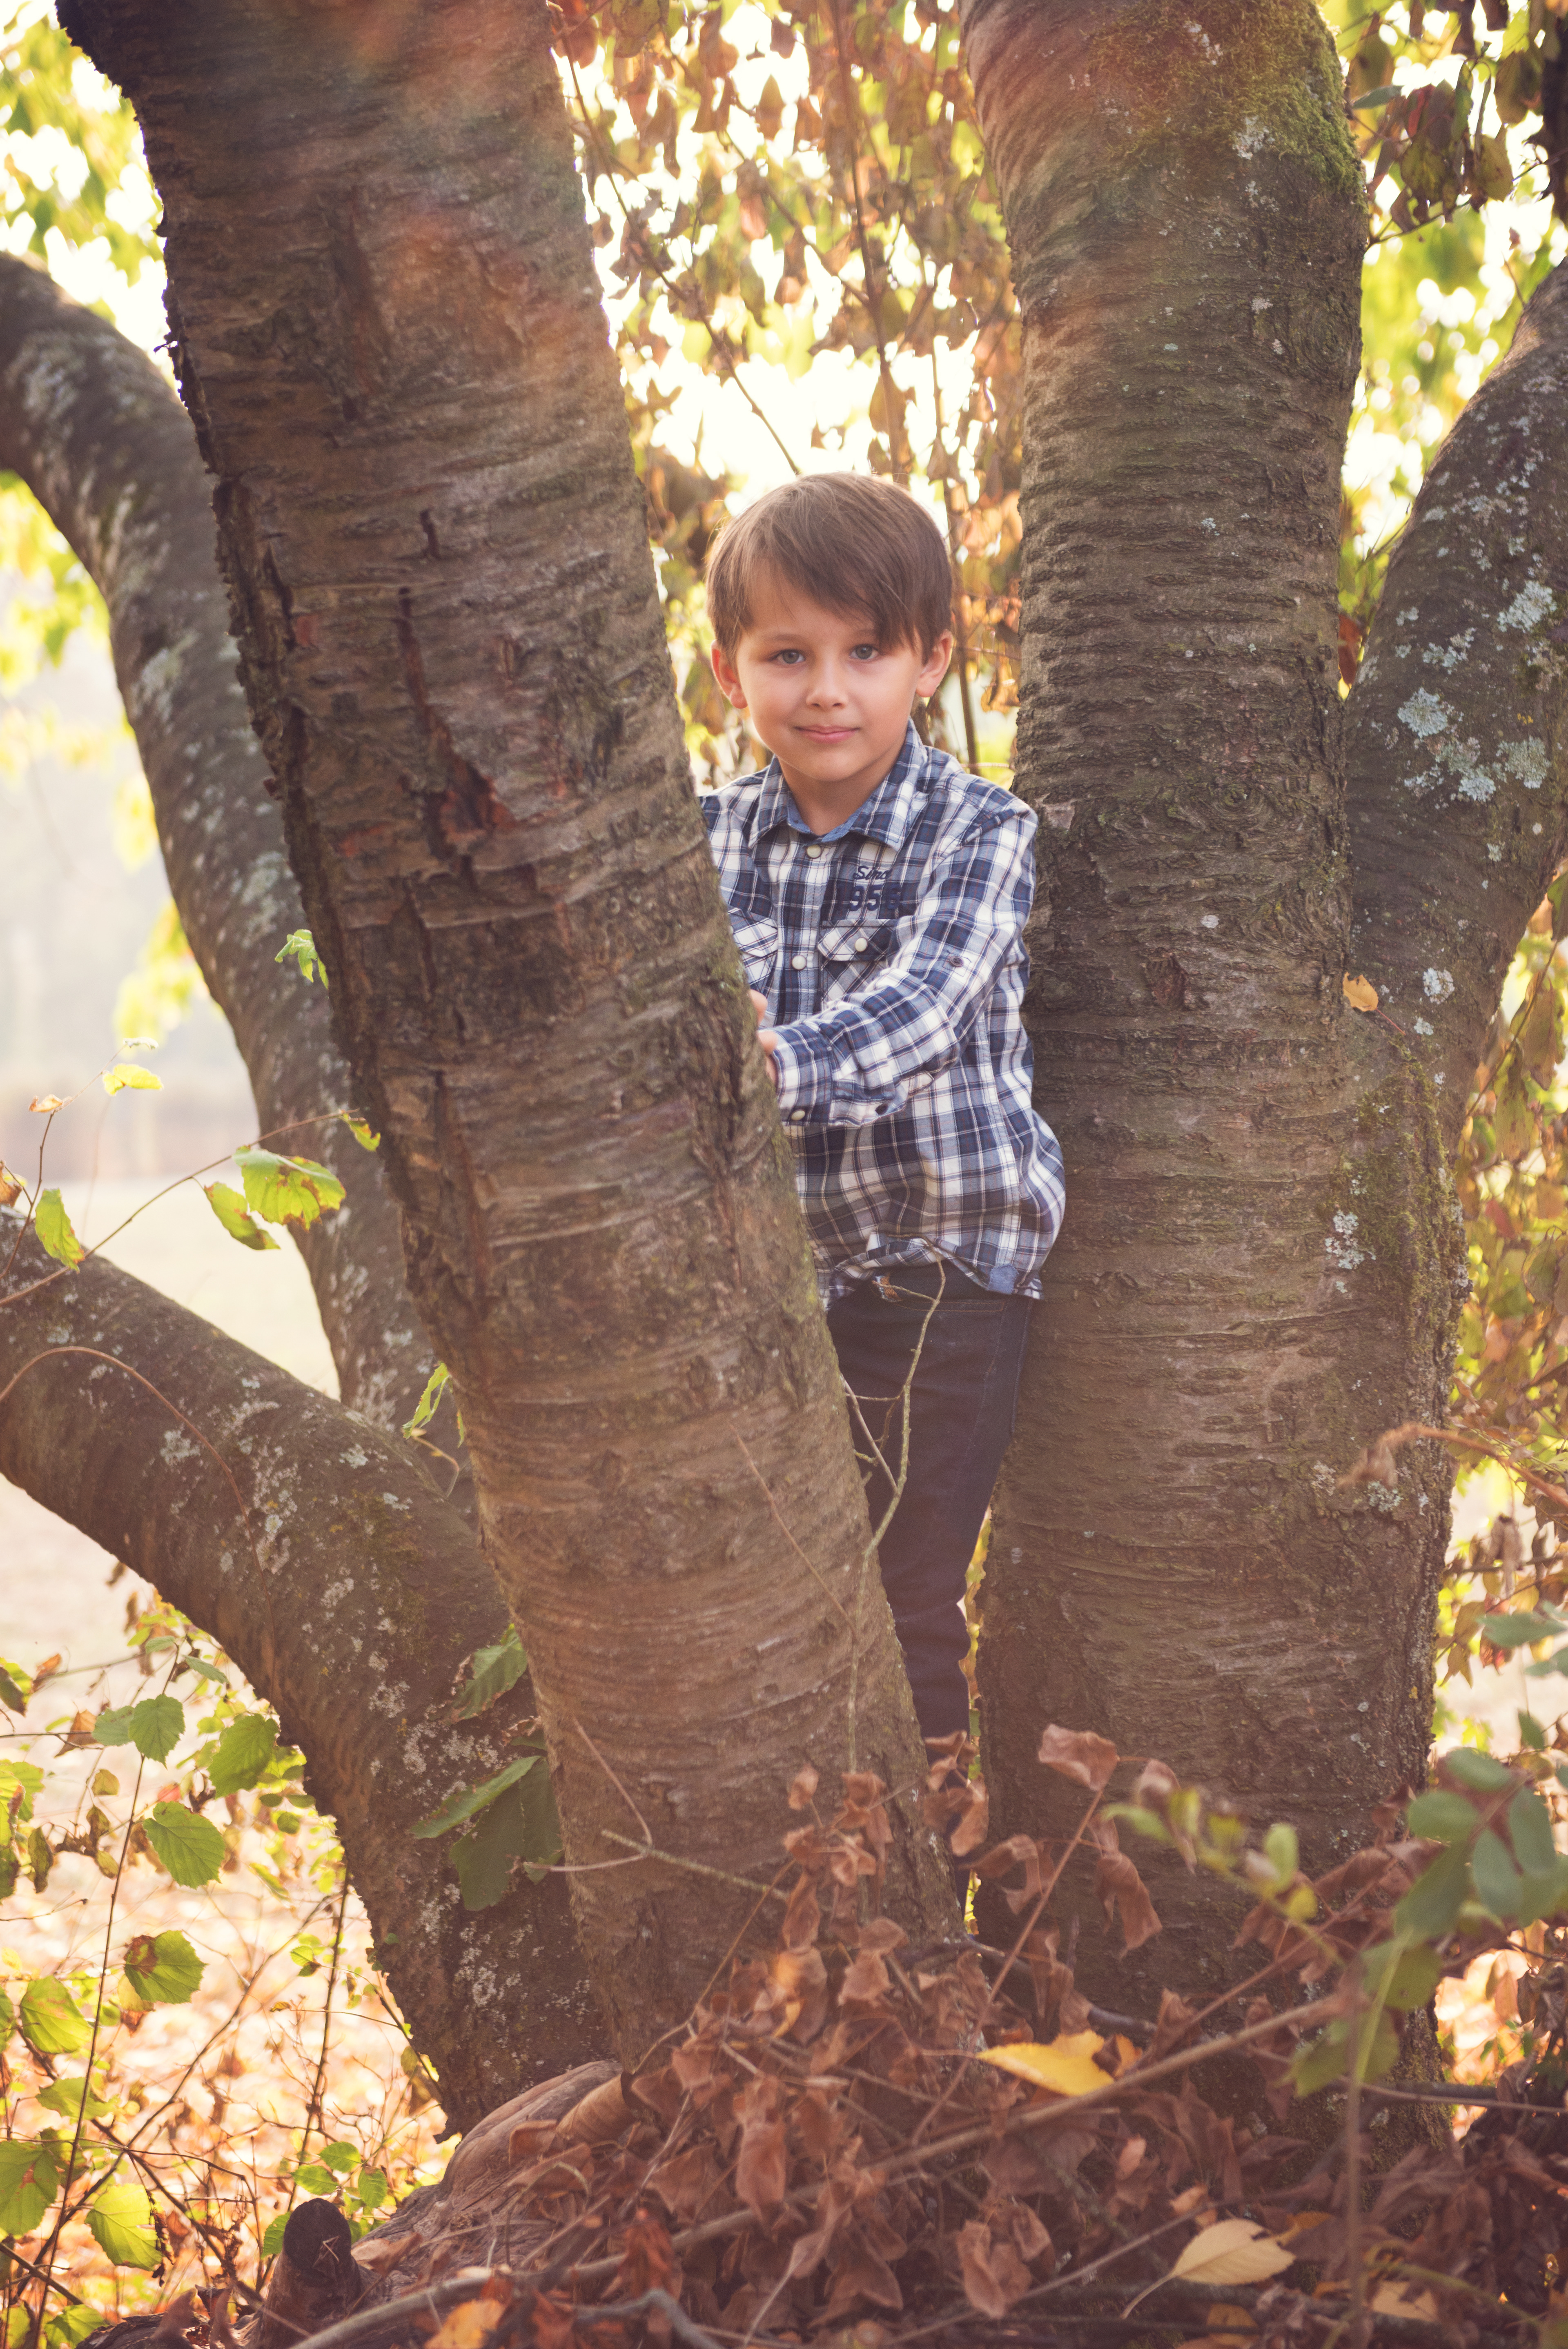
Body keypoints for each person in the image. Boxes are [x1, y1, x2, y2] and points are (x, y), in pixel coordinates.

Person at [700, 472, 1065, 1746]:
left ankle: (929, 1879)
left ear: (931, 659)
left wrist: (755, 1060)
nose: (827, 689)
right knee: (778, 1593)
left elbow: (919, 1013)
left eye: (867, 651)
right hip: (779, 1278)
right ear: (728, 668)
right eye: (787, 653)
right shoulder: (700, 842)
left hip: (943, 1273)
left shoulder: (980, 831)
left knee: (902, 1595)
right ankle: (823, 1888)